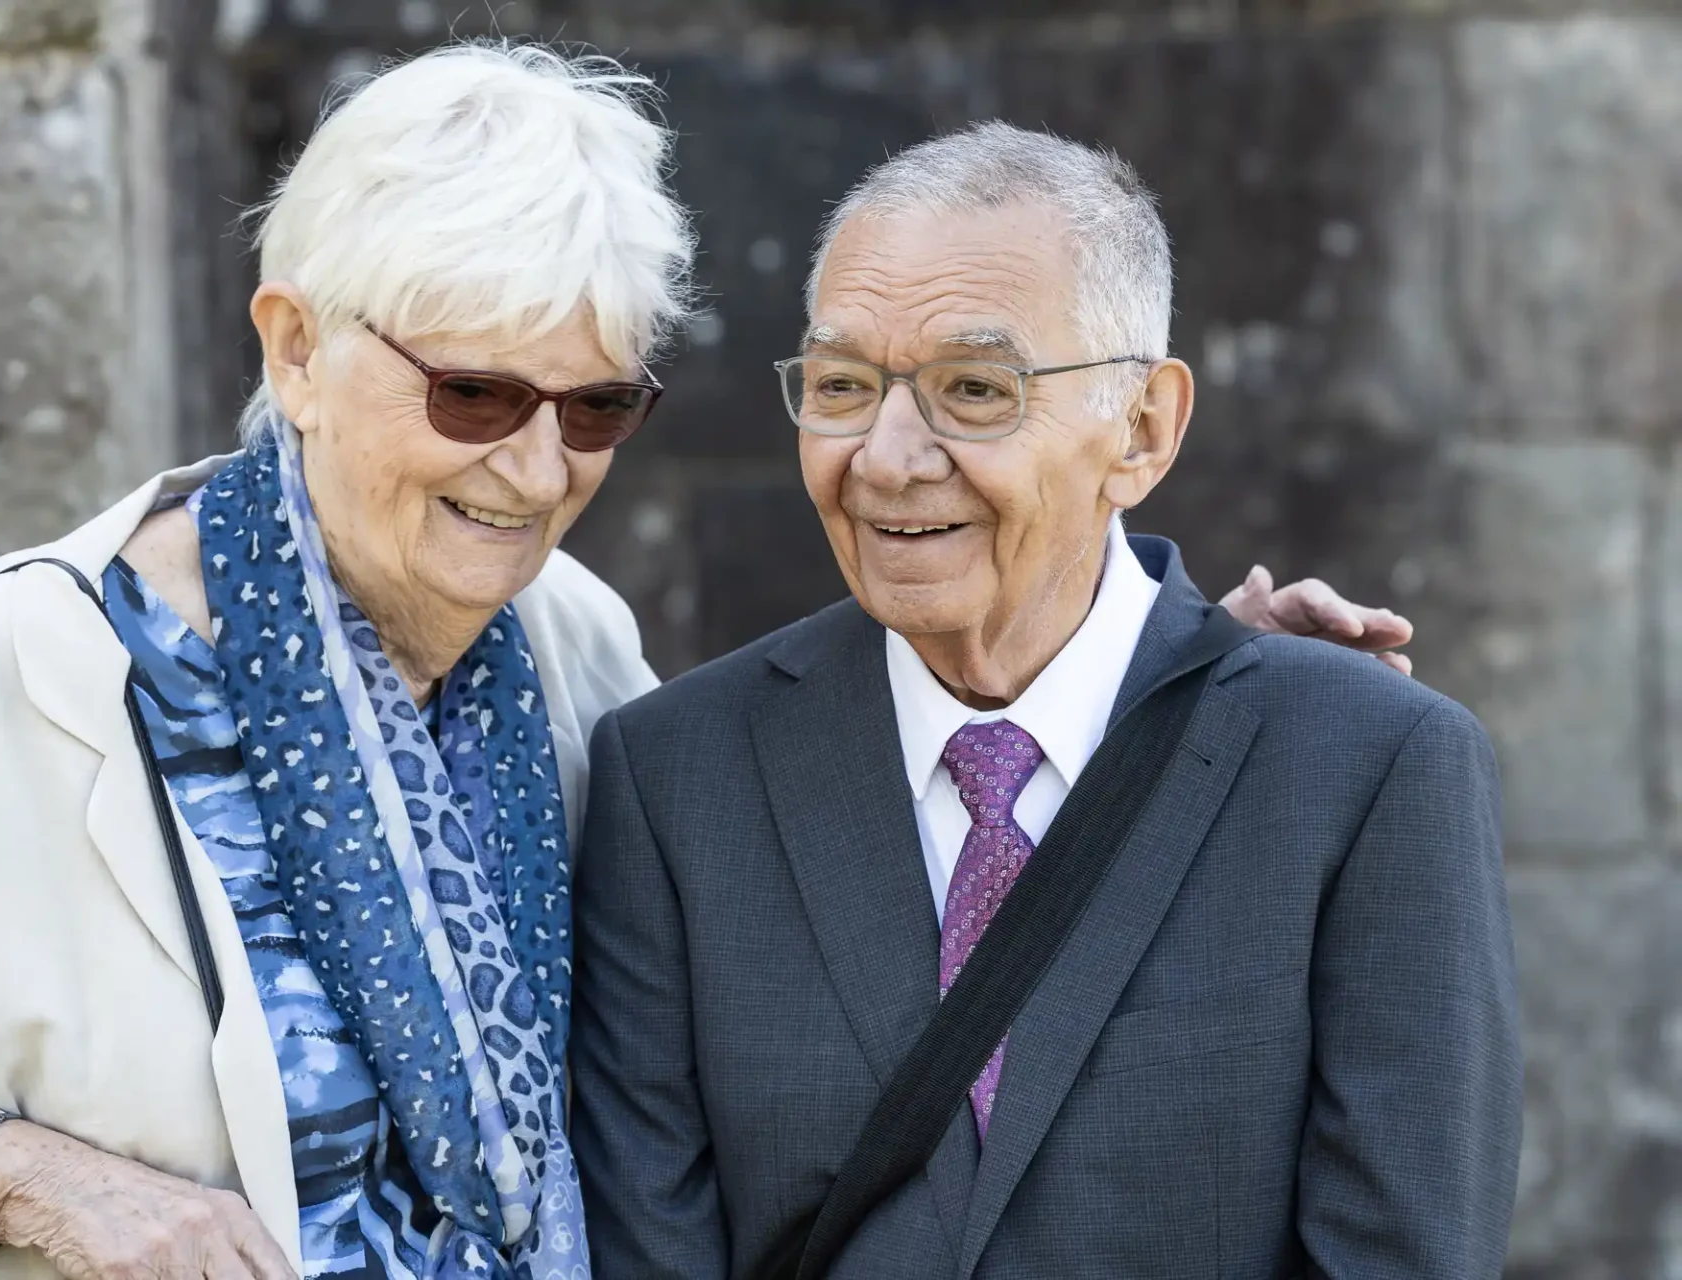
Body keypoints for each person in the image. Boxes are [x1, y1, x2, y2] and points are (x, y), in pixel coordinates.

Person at [0, 41, 1410, 1280]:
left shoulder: (572, 645)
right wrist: (18, 1171)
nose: (534, 474)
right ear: (294, 349)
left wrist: (1152, 692)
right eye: (473, 395)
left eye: (596, 407)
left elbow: (798, 902)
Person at [569, 122, 1521, 1278]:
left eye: (975, 389)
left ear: (1142, 430)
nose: (885, 455)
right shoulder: (677, 777)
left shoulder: (1364, 768)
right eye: (841, 385)